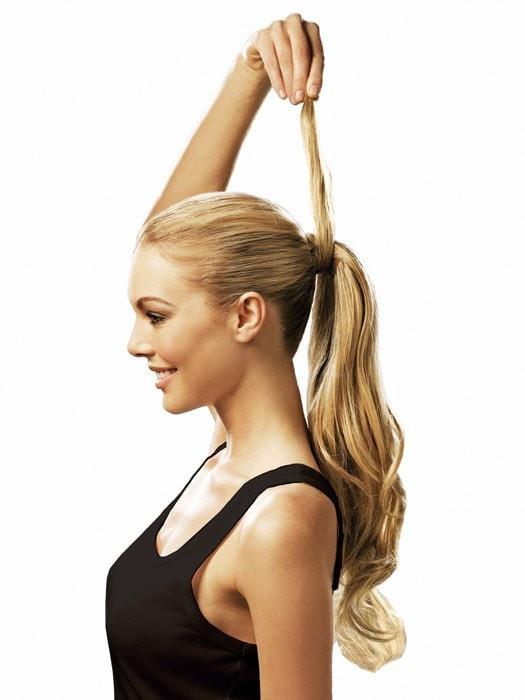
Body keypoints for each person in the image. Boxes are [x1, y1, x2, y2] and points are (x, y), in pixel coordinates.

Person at [105, 13, 407, 699]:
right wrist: (249, 75)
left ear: (245, 315)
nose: (135, 343)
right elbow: (170, 244)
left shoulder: (280, 518)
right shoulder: (232, 461)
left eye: (155, 316)